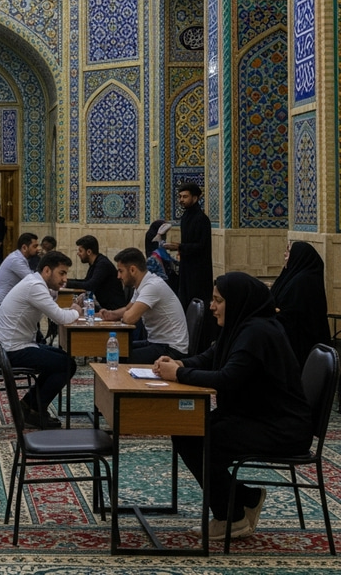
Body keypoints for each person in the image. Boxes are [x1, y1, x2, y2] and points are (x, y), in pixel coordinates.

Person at [153, 272, 313, 541]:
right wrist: (180, 364)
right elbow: (211, 357)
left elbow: (227, 378)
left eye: (218, 300)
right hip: (256, 417)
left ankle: (232, 517)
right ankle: (244, 498)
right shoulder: (243, 326)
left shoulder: (258, 332)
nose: (212, 306)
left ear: (238, 301)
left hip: (281, 427)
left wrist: (178, 375)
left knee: (201, 440)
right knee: (186, 431)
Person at [0, 251, 80, 428]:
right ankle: (35, 411)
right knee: (67, 364)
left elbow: (54, 309)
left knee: (61, 357)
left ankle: (28, 405)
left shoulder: (36, 283)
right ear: (47, 270)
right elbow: (61, 317)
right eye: (62, 273)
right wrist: (77, 310)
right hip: (10, 350)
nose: (65, 279)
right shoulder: (35, 286)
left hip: (11, 345)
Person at [99, 247, 189, 363]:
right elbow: (128, 309)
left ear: (132, 270)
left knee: (117, 357)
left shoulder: (151, 286)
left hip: (172, 349)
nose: (118, 276)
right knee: (113, 350)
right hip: (157, 342)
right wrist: (110, 314)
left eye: (121, 271)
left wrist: (124, 314)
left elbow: (130, 318)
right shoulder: (142, 284)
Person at [162, 183, 214, 344]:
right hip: (187, 268)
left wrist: (180, 247)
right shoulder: (186, 217)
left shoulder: (201, 219)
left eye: (185, 197)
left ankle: (200, 343)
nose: (181, 200)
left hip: (199, 271)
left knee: (199, 306)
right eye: (180, 197)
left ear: (195, 197)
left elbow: (201, 246)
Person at [270, 241, 331, 368]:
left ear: (299, 256)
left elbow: (292, 313)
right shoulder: (291, 276)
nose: (285, 254)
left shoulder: (304, 281)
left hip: (300, 344)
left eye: (289, 252)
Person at [68, 234, 126, 310]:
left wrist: (66, 283)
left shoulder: (102, 264)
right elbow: (86, 281)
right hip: (106, 307)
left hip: (114, 309)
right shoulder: (94, 263)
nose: (78, 253)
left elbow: (90, 285)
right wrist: (66, 281)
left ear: (89, 252)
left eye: (80, 251)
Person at [0, 233, 40, 306]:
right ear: (24, 248)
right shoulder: (16, 260)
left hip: (6, 299)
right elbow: (32, 280)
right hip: (2, 304)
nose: (38, 249)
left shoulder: (19, 257)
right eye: (35, 246)